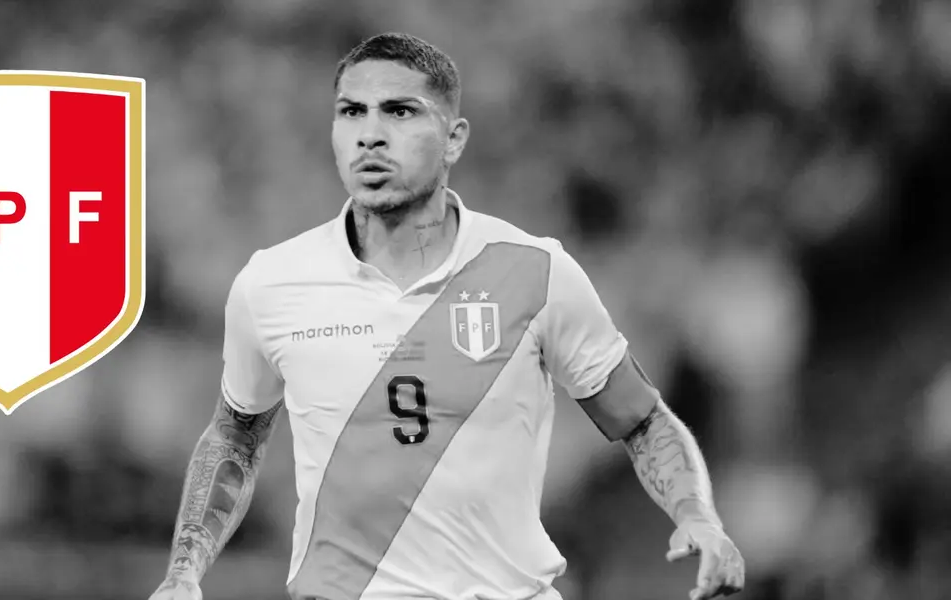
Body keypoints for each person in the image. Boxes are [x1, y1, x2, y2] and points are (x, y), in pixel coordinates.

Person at [148, 32, 745, 600]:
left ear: (454, 139)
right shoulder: (272, 282)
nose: (370, 135)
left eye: (400, 111)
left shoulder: (535, 271)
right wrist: (184, 570)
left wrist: (698, 516)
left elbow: (643, 421)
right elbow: (236, 433)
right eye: (351, 112)